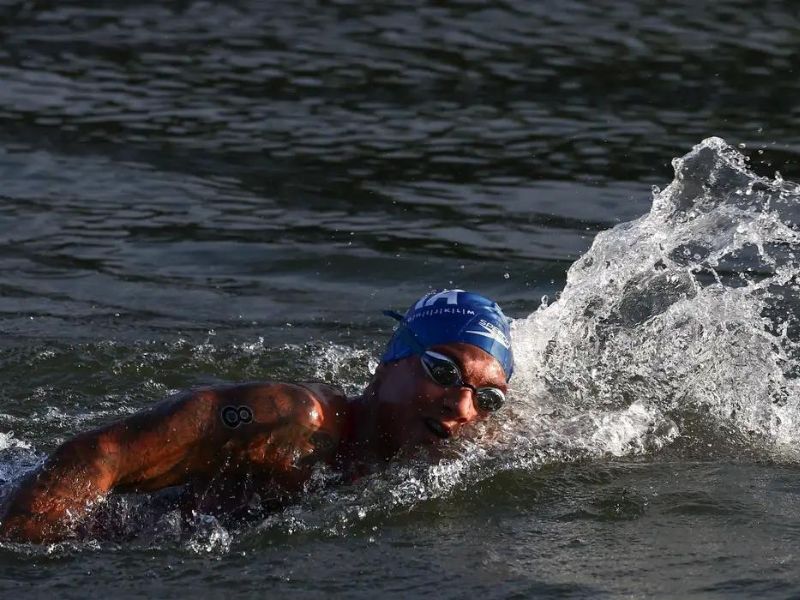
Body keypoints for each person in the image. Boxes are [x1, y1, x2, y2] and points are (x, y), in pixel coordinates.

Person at [0, 290, 514, 543]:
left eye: (486, 398)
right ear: (388, 365)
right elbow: (101, 455)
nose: (462, 406)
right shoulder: (292, 420)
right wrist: (23, 553)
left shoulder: (463, 446)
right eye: (443, 371)